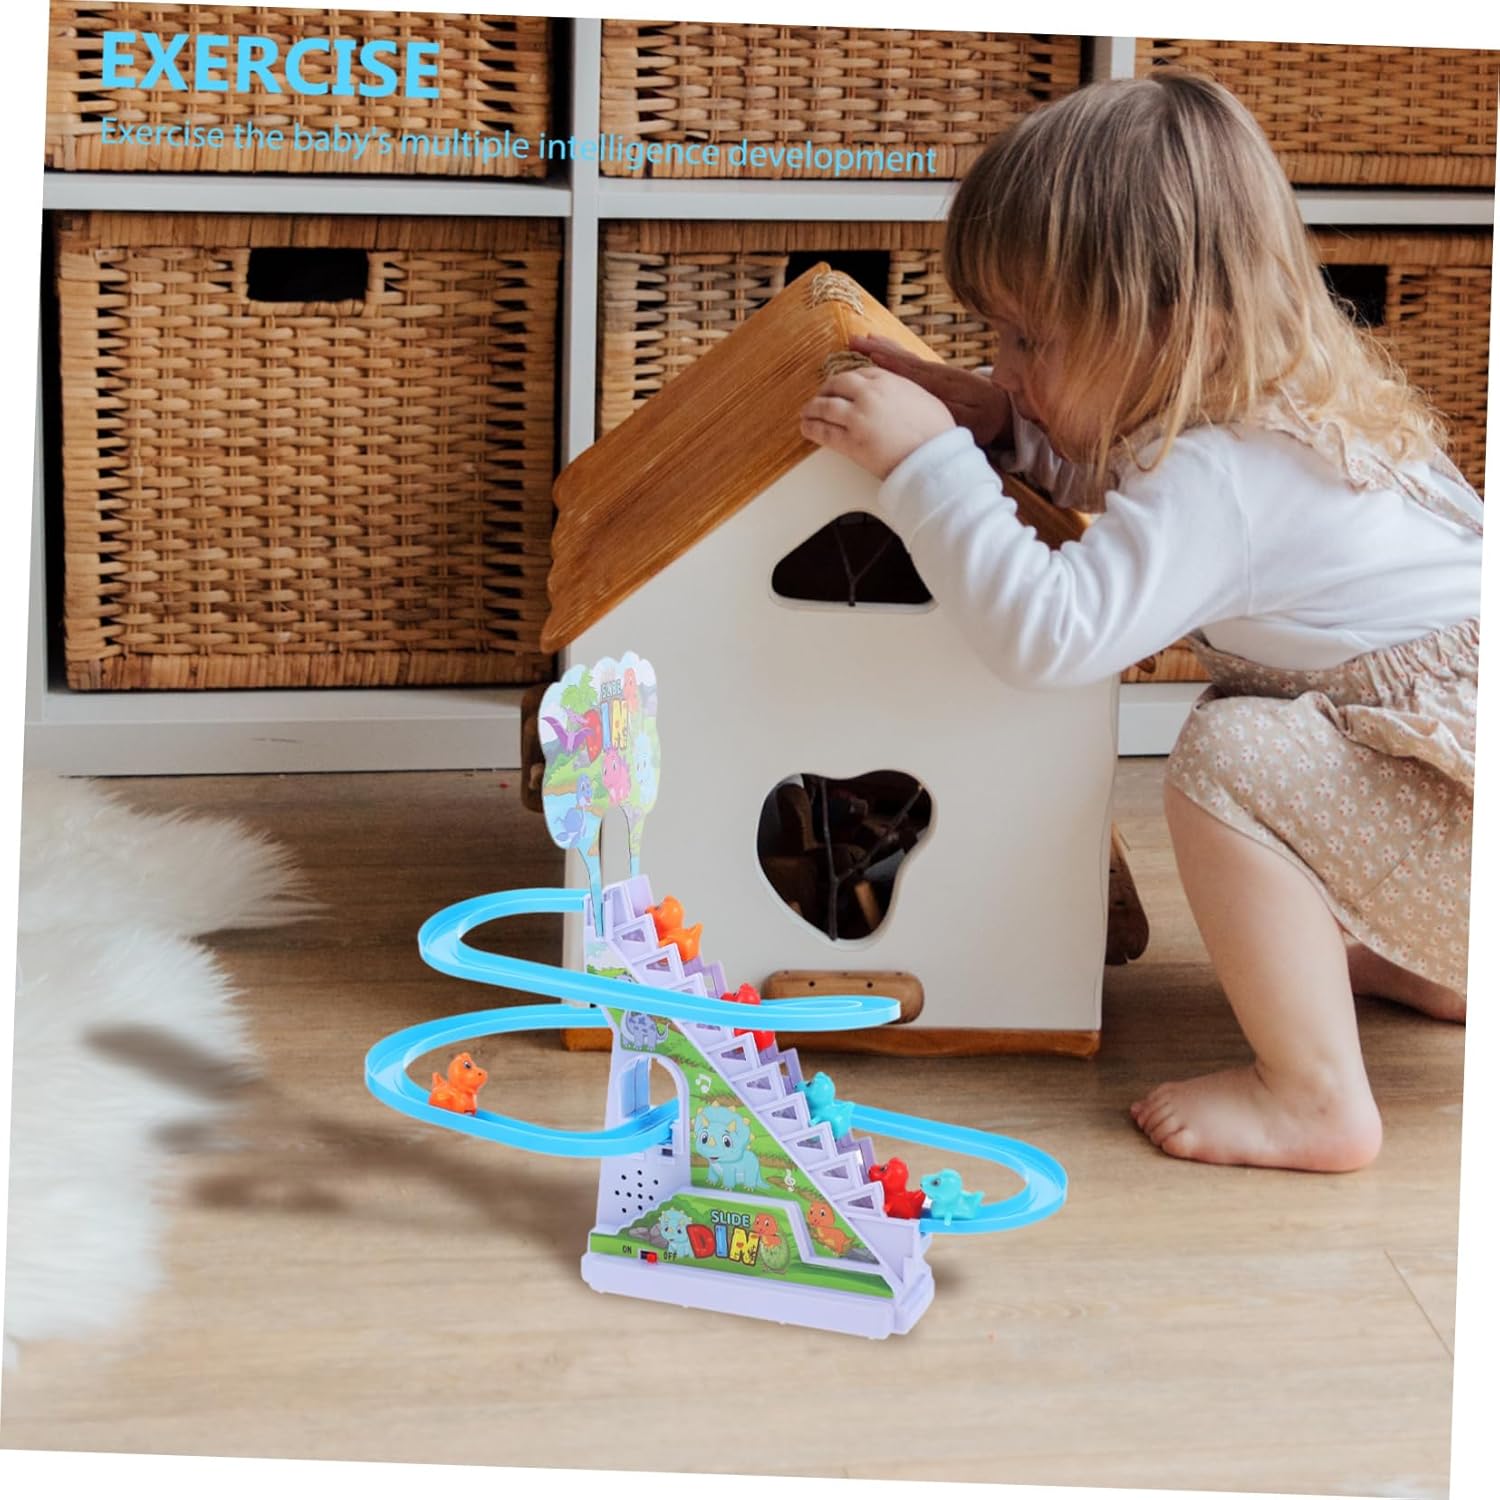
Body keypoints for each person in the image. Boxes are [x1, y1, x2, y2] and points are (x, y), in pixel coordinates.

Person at [799, 71, 1482, 1172]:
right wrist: (1008, 428)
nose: (1004, 366)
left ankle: (1315, 1099)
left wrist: (930, 469)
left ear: (1174, 326)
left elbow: (1051, 634)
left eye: (1031, 342)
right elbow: (1126, 472)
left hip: (1462, 845)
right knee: (1272, 744)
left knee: (1228, 755)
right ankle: (1435, 966)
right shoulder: (1284, 402)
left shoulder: (1223, 478)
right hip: (1460, 834)